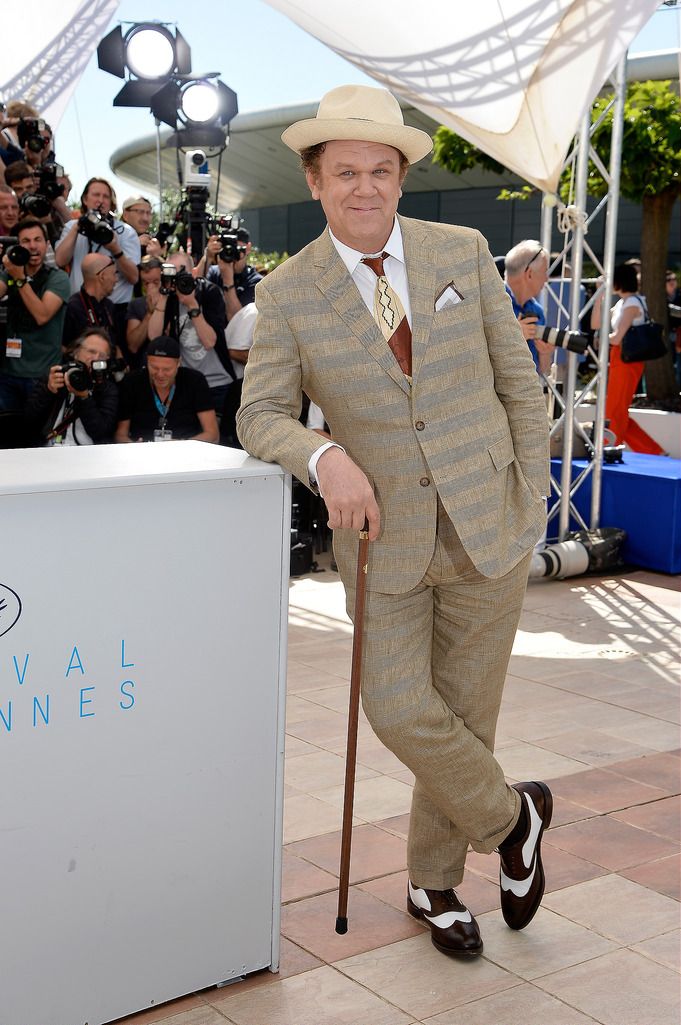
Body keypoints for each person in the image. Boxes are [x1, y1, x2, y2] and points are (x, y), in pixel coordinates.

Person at [237, 84, 553, 959]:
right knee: (399, 706)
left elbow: (517, 383)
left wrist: (529, 495)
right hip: (382, 540)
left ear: (401, 177)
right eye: (345, 172)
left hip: (492, 522)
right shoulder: (290, 290)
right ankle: (512, 817)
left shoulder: (464, 250)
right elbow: (258, 414)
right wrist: (323, 456)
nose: (364, 186)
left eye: (381, 169)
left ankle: (432, 880)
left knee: (464, 716)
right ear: (315, 180)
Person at [54, 177, 140, 358]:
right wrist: (79, 226)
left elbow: (134, 277)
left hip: (114, 310)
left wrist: (115, 249)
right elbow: (60, 260)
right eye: (96, 195)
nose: (100, 200)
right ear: (85, 199)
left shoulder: (125, 231)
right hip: (79, 308)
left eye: (106, 196)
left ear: (112, 202)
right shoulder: (72, 226)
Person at [591, 262, 664, 454]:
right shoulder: (623, 303)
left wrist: (601, 339)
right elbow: (596, 324)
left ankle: (610, 447)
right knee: (617, 409)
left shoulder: (632, 303)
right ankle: (654, 451)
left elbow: (616, 337)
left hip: (627, 360)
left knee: (614, 410)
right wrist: (599, 297)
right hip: (620, 359)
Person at [0, 217, 70, 413]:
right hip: (8, 373)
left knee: (34, 436)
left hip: (42, 376)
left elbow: (42, 315)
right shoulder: (9, 273)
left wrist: (19, 279)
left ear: (47, 244)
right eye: (26, 241)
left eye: (38, 240)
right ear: (17, 245)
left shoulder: (58, 278)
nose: (33, 246)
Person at [146, 251, 230, 412]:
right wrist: (163, 296)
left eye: (181, 274)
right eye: (172, 274)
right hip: (185, 382)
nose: (177, 280)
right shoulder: (170, 297)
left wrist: (191, 304)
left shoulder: (209, 292)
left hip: (217, 383)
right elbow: (154, 336)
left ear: (194, 273)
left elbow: (209, 342)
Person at [115, 334, 219, 443]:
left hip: (186, 454)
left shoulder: (195, 381)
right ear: (147, 361)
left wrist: (181, 446)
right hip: (142, 453)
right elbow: (120, 434)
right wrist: (134, 448)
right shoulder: (132, 381)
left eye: (167, 369)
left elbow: (212, 434)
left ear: (179, 363)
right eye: (154, 367)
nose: (160, 374)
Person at [24, 327, 118, 445]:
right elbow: (29, 421)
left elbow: (100, 432)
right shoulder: (56, 377)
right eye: (91, 351)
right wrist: (47, 390)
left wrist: (84, 398)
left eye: (102, 356)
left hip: (88, 455)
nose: (95, 359)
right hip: (48, 451)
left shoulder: (107, 389)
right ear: (76, 352)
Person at [504, 240, 554, 376]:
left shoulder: (537, 310)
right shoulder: (491, 302)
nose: (546, 279)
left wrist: (545, 354)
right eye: (545, 272)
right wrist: (514, 336)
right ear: (530, 274)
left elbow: (543, 371)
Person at [201, 226, 262, 322]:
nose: (231, 255)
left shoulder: (256, 282)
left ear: (248, 248)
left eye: (236, 251)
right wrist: (207, 257)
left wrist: (227, 280)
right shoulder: (213, 272)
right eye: (227, 250)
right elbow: (194, 295)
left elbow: (239, 323)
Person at [61, 252, 117, 351]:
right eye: (114, 274)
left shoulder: (109, 306)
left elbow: (114, 344)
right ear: (102, 276)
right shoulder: (73, 307)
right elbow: (64, 347)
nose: (116, 280)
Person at [125, 255, 164, 368]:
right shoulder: (136, 305)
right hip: (145, 366)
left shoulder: (175, 302)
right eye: (146, 283)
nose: (151, 288)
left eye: (156, 282)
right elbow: (133, 345)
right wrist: (149, 313)